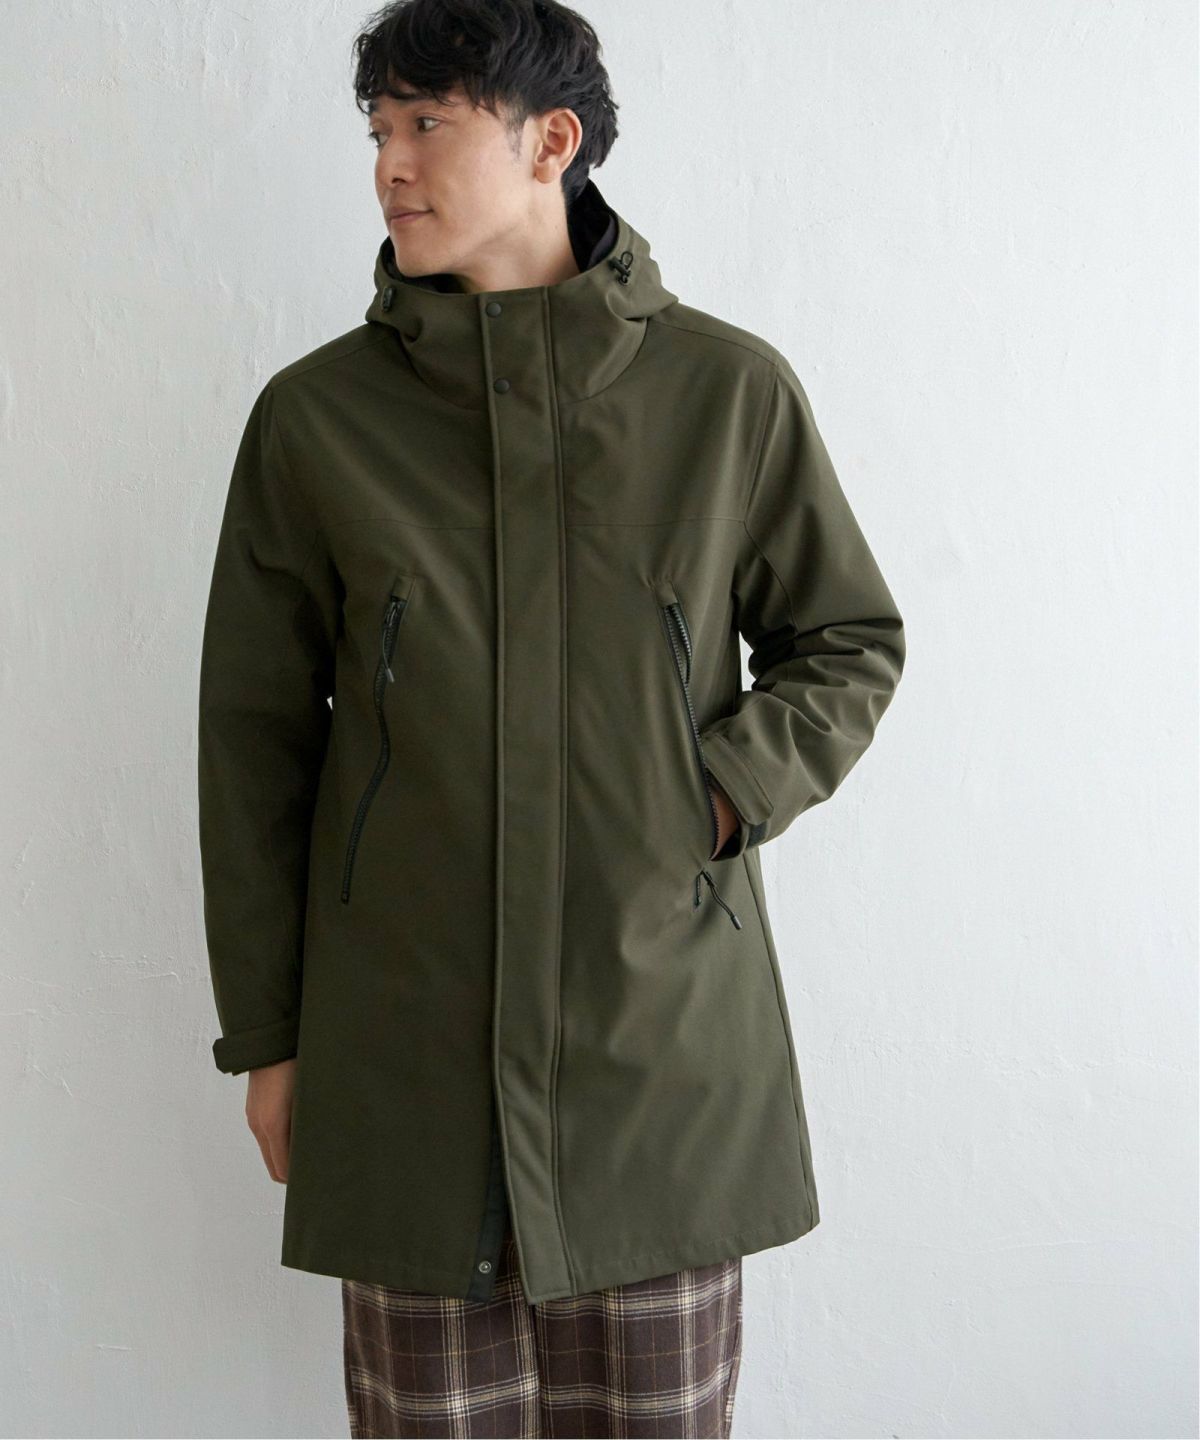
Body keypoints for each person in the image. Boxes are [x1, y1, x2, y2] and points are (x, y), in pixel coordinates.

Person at [196, 1, 906, 1435]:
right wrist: (269, 1037)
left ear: (550, 141)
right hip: (404, 1069)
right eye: (378, 131)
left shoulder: (725, 394)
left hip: (658, 1066)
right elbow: (253, 747)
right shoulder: (316, 421)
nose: (390, 165)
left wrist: (711, 792)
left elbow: (848, 640)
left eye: (427, 123)